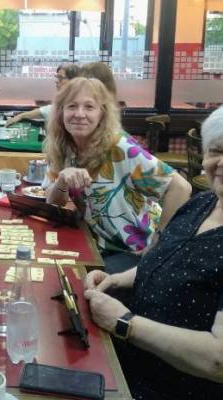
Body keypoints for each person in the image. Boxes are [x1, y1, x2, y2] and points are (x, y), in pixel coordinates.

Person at [84, 107, 223, 400]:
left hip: (164, 388)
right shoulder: (203, 203)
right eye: (216, 150)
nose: (220, 163)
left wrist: (124, 324)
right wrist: (120, 279)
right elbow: (173, 260)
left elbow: (218, 361)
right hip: (124, 361)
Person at [44, 78, 191, 273]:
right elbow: (54, 202)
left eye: (89, 107)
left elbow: (181, 188)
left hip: (134, 249)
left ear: (102, 114)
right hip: (99, 244)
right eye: (72, 106)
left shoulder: (120, 148)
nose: (79, 114)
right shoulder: (63, 148)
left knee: (80, 287)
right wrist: (62, 179)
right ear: (60, 112)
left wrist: (159, 241)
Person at [5, 64, 80, 127]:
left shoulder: (78, 101)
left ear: (73, 80)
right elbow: (46, 111)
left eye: (60, 78)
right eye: (57, 77)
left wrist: (21, 116)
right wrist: (21, 116)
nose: (57, 81)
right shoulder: (64, 100)